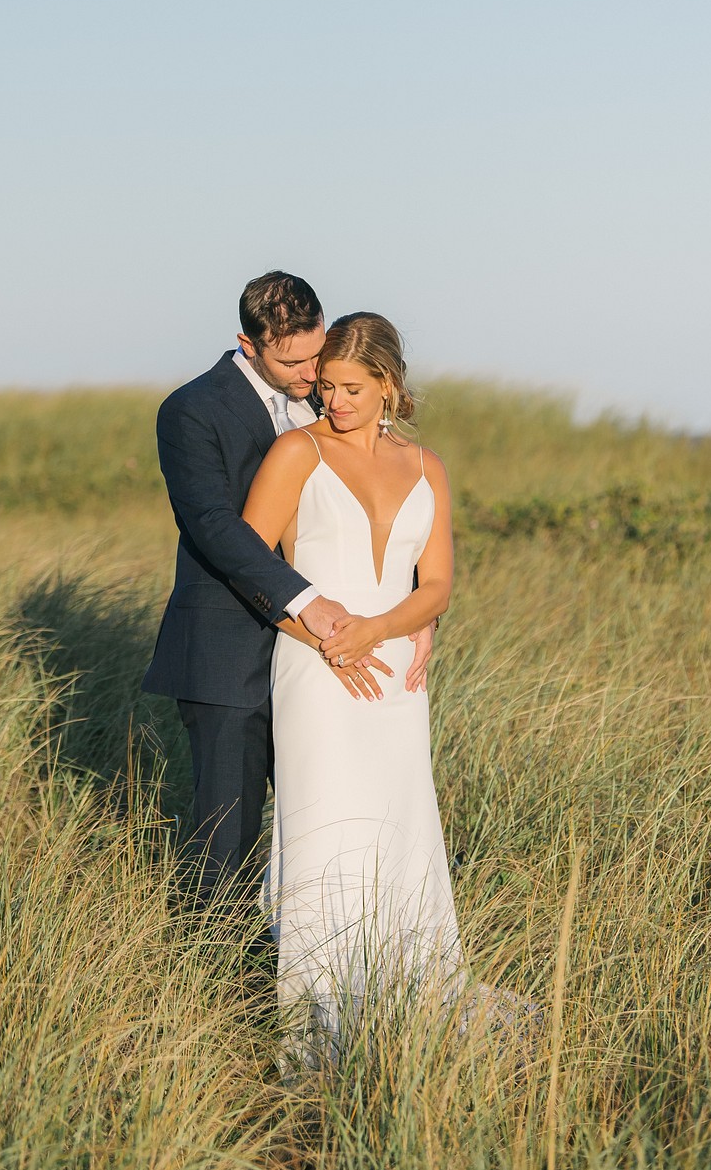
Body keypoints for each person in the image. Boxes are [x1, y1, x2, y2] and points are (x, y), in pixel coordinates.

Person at [143, 274, 435, 904]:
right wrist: (307, 603)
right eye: (293, 361)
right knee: (228, 838)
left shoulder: (329, 396)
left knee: (333, 821)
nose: (312, 374)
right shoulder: (192, 410)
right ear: (247, 344)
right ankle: (220, 987)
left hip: (334, 653)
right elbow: (216, 528)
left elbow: (375, 505)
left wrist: (414, 609)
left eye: (317, 353)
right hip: (230, 648)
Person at [242, 311, 465, 1060]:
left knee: (400, 827)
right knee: (327, 825)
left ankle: (406, 999)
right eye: (327, 386)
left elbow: (435, 586)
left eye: (351, 389)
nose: (333, 401)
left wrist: (380, 629)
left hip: (398, 678)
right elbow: (253, 570)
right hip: (316, 669)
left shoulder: (426, 466)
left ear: (389, 386)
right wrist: (332, 640)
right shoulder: (296, 450)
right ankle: (317, 1019)